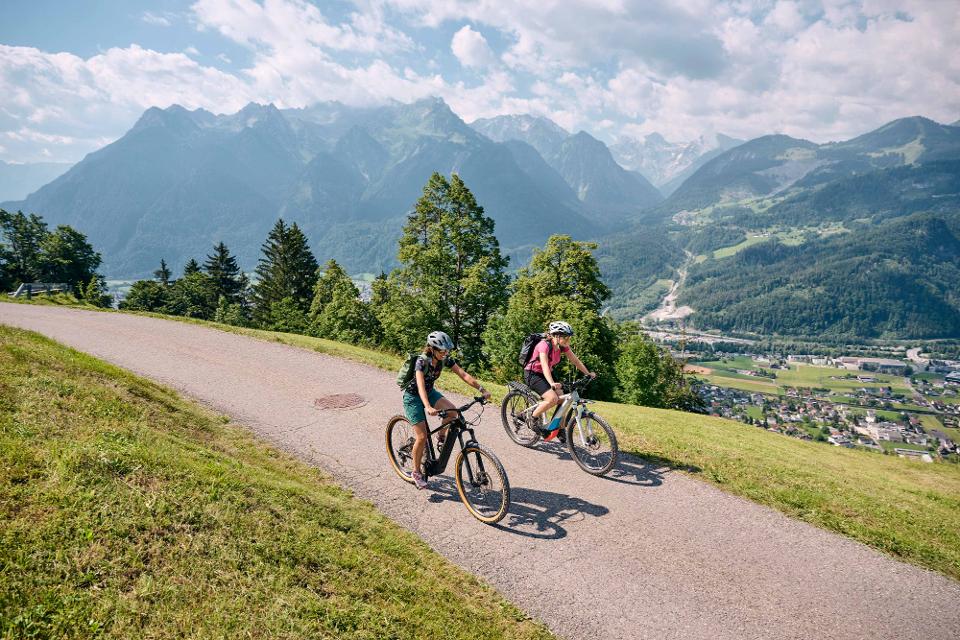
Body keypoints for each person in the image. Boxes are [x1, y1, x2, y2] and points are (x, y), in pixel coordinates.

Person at [403, 330, 491, 490]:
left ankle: (441, 435)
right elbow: (420, 385)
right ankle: (416, 472)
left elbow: (463, 374)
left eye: (447, 350)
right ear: (432, 349)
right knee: (421, 437)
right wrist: (428, 406)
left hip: (430, 392)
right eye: (442, 351)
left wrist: (482, 389)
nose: (445, 353)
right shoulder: (422, 362)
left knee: (453, 413)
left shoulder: (445, 359)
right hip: (413, 397)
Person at [523, 321, 595, 441]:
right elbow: (545, 365)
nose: (568, 340)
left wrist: (588, 373)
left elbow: (575, 361)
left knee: (563, 399)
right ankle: (532, 417)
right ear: (556, 335)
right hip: (533, 374)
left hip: (547, 374)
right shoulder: (544, 345)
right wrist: (551, 383)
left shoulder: (562, 346)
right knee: (552, 399)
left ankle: (558, 428)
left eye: (569, 337)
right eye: (566, 337)